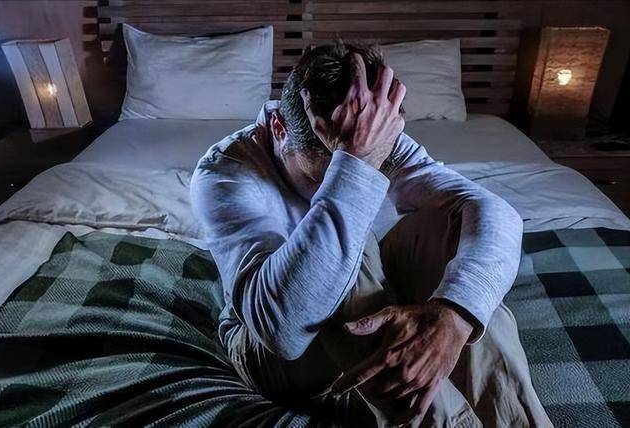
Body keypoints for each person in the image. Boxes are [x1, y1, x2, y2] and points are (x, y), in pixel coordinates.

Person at [190, 42, 551, 427]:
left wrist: (456, 315)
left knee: (456, 240)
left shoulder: (375, 134)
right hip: (268, 344)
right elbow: (284, 332)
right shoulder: (225, 173)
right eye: (320, 176)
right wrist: (355, 163)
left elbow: (495, 213)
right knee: (350, 247)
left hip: (372, 293)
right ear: (279, 129)